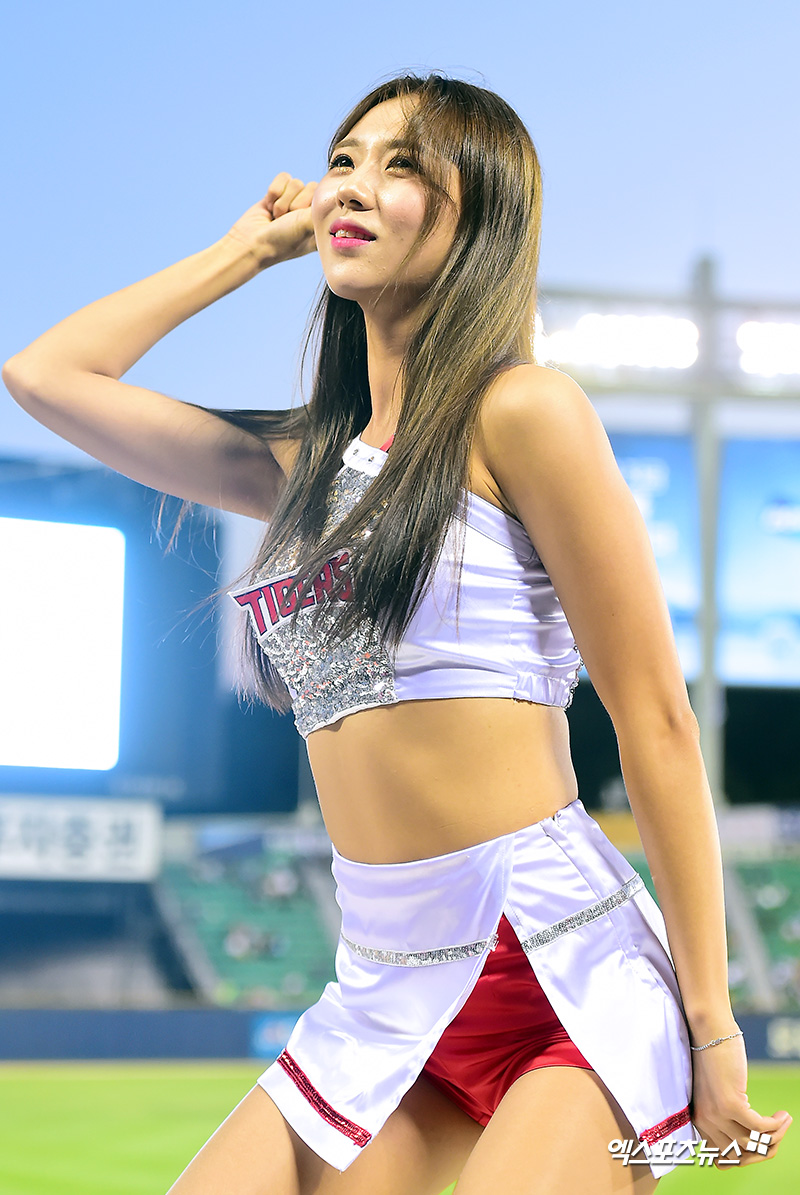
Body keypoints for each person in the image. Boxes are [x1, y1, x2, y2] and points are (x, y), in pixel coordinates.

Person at [2, 72, 792, 1195]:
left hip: (562, 968)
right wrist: (248, 250)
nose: (355, 185)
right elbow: (44, 375)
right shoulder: (294, 467)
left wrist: (712, 1025)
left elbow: (657, 720)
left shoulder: (523, 411)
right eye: (344, 160)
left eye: (403, 165)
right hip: (383, 991)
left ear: (479, 215)